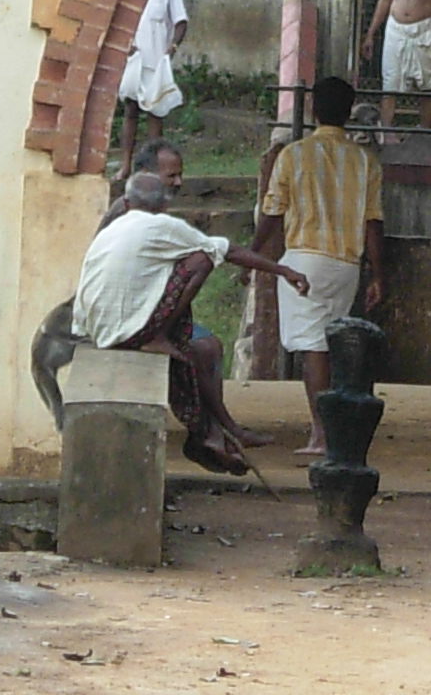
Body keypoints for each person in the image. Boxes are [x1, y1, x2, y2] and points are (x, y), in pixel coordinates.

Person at [72, 170, 306, 475]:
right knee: (203, 258)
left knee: (200, 352)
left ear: (127, 203)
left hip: (97, 328)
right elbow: (227, 250)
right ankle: (214, 430)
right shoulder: (160, 226)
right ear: (164, 205)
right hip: (130, 331)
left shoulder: (111, 231)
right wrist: (284, 271)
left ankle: (216, 432)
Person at [256, 75, 385, 457]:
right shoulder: (365, 161)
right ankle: (334, 423)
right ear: (349, 112)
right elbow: (374, 222)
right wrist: (378, 274)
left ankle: (321, 433)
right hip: (347, 264)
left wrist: (249, 253)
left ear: (312, 109)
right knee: (330, 345)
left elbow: (272, 213)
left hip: (304, 259)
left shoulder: (293, 155)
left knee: (313, 348)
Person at [116, 0, 189, 168]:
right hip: (133, 59)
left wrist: (172, 47)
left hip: (156, 62)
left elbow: (181, 22)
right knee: (130, 109)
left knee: (155, 112)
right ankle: (125, 166)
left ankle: (153, 168)